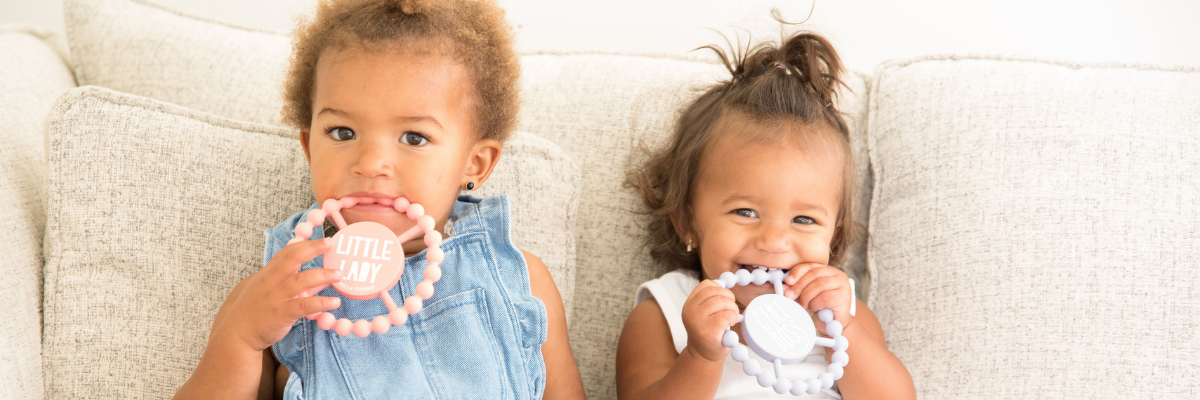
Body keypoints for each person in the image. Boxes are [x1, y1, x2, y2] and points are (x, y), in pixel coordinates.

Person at [174, 0, 584, 398]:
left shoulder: (516, 280)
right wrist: (240, 339)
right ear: (309, 147)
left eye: (414, 137)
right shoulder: (279, 290)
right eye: (342, 133)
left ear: (474, 164)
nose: (370, 164)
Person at [616, 30, 915, 399]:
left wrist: (846, 327)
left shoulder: (840, 311)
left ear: (833, 238)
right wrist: (700, 355)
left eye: (804, 220)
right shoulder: (665, 310)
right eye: (745, 211)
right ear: (687, 221)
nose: (773, 242)